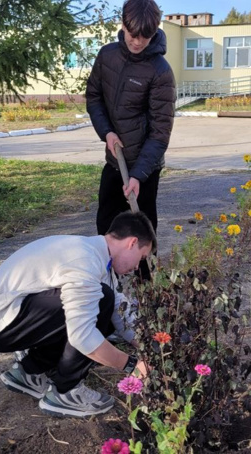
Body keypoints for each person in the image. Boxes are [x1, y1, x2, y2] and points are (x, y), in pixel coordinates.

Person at [0, 211, 154, 418]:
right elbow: (82, 335)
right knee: (99, 301)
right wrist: (131, 366)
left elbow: (117, 308)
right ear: (131, 243)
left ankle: (29, 372)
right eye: (141, 258)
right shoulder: (85, 260)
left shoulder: (93, 252)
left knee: (102, 300)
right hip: (0, 323)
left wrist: (146, 343)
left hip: (5, 317)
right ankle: (65, 392)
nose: (136, 267)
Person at [86, 0, 175, 279]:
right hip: (115, 161)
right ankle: (108, 283)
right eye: (132, 34)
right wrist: (107, 133)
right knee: (106, 225)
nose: (138, 42)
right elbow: (94, 97)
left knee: (143, 233)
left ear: (155, 32)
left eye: (145, 37)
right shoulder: (107, 56)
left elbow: (161, 132)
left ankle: (147, 292)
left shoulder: (160, 71)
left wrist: (138, 174)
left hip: (145, 168)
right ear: (123, 25)